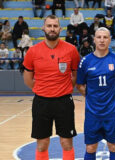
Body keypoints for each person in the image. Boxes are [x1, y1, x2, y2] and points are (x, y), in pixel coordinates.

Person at [22, 15, 80, 160]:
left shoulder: (71, 50)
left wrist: (64, 88)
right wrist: (42, 89)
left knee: (67, 143)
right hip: (41, 102)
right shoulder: (33, 51)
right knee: (42, 144)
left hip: (64, 102)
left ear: (60, 29)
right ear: (43, 28)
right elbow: (28, 78)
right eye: (49, 26)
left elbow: (75, 75)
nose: (52, 29)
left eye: (55, 26)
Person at [76, 27, 115, 160]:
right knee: (91, 147)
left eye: (105, 37)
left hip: (112, 113)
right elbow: (80, 85)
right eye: (99, 37)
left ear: (110, 40)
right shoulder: (85, 61)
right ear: (94, 39)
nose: (102, 40)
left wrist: (113, 98)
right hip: (92, 113)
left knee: (113, 146)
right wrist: (91, 98)